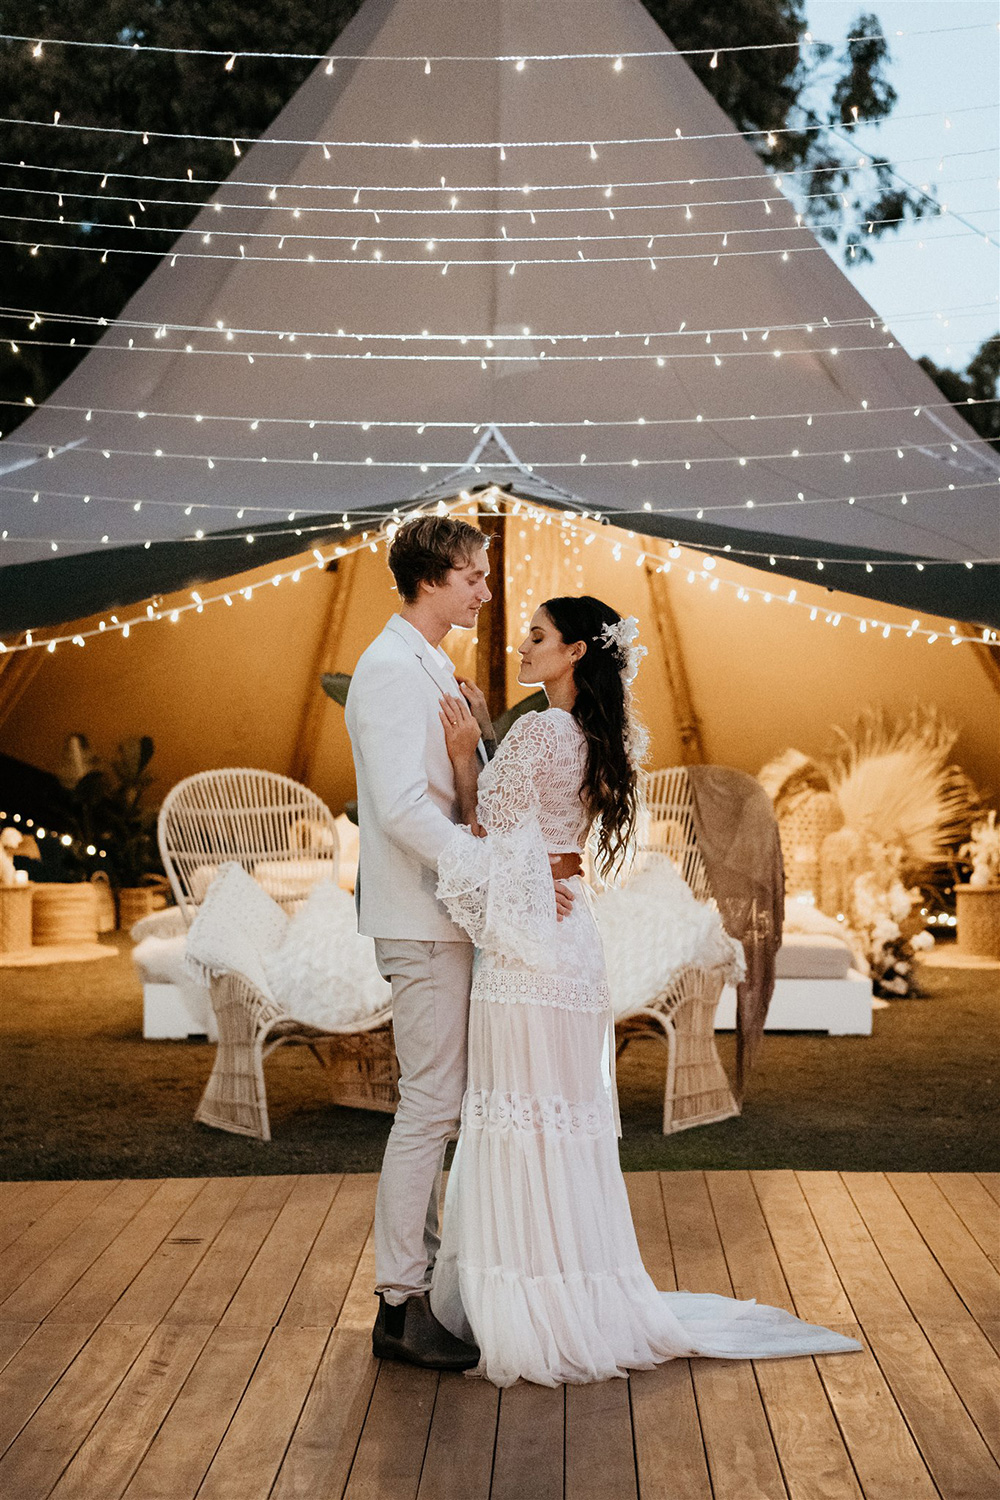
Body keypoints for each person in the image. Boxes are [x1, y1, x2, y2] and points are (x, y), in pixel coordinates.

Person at [429, 594, 863, 1386]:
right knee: (560, 1118)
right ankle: (574, 1290)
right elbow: (549, 829)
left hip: (527, 949)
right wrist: (495, 742)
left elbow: (484, 832)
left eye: (537, 637)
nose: (523, 647)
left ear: (576, 653)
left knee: (516, 1116)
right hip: (571, 938)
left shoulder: (538, 732)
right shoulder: (609, 734)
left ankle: (521, 1304)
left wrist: (466, 754)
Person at [344, 516, 580, 1371]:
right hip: (422, 915)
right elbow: (405, 809)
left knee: (447, 1103)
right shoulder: (386, 671)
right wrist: (490, 870)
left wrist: (478, 743)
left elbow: (451, 782)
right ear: (434, 578)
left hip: (452, 917)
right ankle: (400, 1306)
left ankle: (440, 1288)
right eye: (475, 577)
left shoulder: (431, 663)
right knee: (430, 1107)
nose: (487, 590)